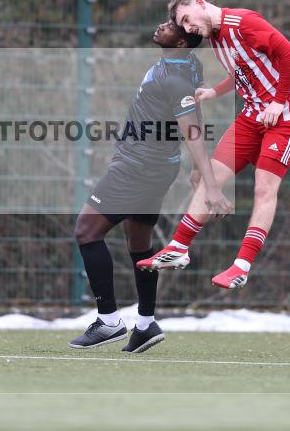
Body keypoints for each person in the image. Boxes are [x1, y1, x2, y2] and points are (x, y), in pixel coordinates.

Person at [137, 0, 290, 290]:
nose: (189, 28)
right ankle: (178, 248)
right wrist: (214, 92)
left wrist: (277, 101)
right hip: (253, 116)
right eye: (184, 25)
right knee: (210, 179)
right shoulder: (214, 36)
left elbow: (289, 54)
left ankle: (241, 266)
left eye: (188, 19)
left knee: (264, 190)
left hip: (286, 117)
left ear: (201, 3)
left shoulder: (244, 23)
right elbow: (244, 70)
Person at [70, 20, 229, 353]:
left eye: (171, 26)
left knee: (86, 231)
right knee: (139, 242)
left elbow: (191, 129)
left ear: (182, 44)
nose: (161, 26)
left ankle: (109, 321)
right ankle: (144, 324)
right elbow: (195, 109)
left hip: (138, 167)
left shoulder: (174, 79)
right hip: (156, 168)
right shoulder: (186, 64)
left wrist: (210, 182)